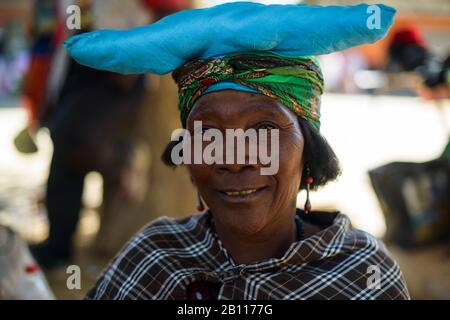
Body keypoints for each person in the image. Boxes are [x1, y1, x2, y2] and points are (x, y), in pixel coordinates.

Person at [65, 2, 409, 300]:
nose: (232, 159)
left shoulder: (362, 274)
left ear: (308, 149)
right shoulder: (155, 257)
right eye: (208, 134)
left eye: (264, 130)